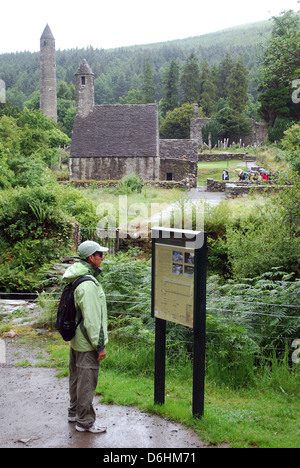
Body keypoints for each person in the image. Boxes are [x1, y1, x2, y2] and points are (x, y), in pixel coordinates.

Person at [62, 240, 109, 433]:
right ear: (91, 257)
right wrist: (99, 346)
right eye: (100, 255)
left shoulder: (77, 276)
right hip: (87, 341)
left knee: (76, 377)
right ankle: (85, 421)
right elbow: (92, 320)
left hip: (76, 339)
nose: (102, 258)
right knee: (87, 381)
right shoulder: (88, 284)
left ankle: (74, 412)